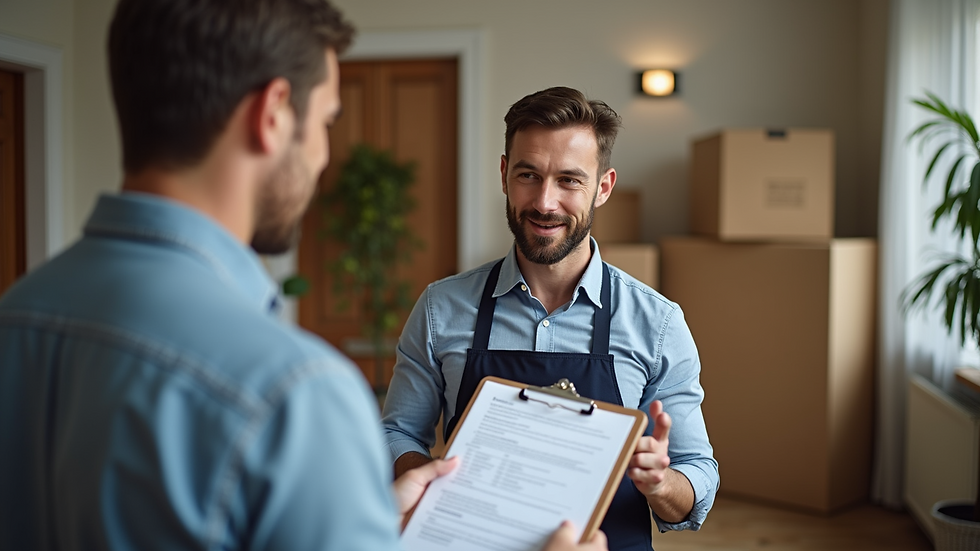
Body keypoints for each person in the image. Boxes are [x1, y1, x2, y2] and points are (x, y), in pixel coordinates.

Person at [0, 1, 607, 549]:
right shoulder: (294, 392)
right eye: (325, 123)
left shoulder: (16, 314)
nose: (321, 158)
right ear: (271, 116)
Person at [381, 86, 720, 551]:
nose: (544, 202)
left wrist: (659, 483)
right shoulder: (442, 308)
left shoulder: (657, 324)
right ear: (504, 175)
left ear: (603, 187)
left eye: (569, 180)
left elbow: (696, 476)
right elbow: (398, 432)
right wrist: (431, 483)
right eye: (528, 174)